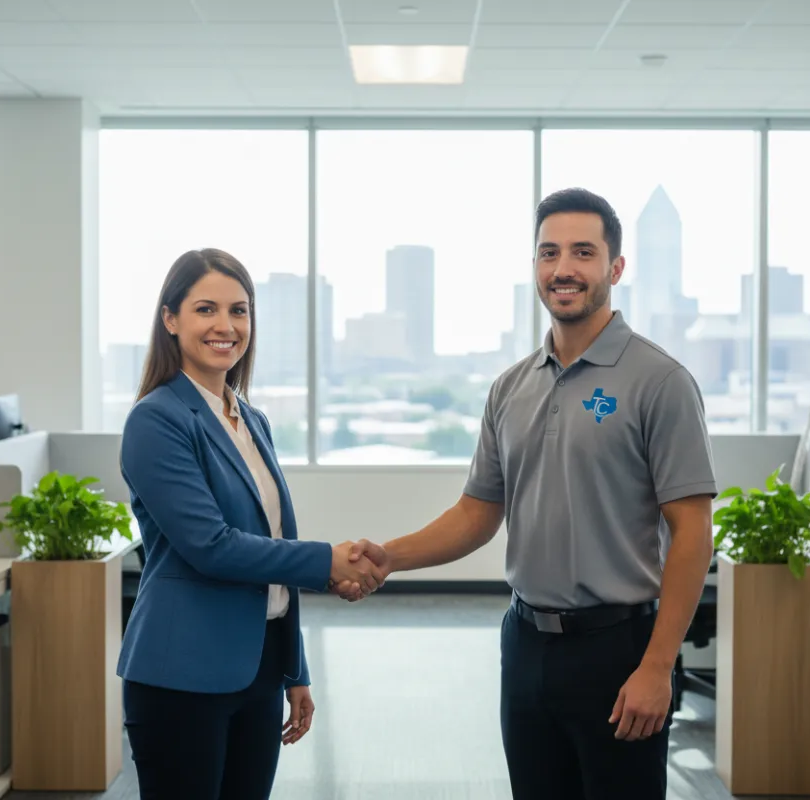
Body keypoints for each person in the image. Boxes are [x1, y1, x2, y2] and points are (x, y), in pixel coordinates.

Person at [343, 188, 717, 799]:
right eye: (549, 252)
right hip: (524, 643)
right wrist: (389, 557)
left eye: (582, 252)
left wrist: (656, 667)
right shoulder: (510, 387)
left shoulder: (661, 382)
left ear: (615, 269)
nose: (563, 268)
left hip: (618, 649)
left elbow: (692, 532)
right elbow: (476, 513)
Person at [116, 248, 385, 800]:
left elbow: (271, 545)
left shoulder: (249, 417)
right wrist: (327, 561)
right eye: (206, 309)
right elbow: (211, 547)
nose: (226, 326)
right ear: (171, 319)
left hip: (257, 667)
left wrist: (295, 668)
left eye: (239, 311)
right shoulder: (156, 420)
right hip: (182, 672)